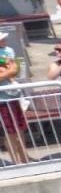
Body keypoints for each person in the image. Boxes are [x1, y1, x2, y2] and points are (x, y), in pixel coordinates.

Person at [0, 30, 27, 166]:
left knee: (20, 127)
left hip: (13, 95)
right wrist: (6, 70)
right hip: (1, 99)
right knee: (9, 130)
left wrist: (4, 71)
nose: (4, 40)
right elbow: (9, 70)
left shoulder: (8, 50)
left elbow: (14, 70)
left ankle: (24, 158)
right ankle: (15, 161)